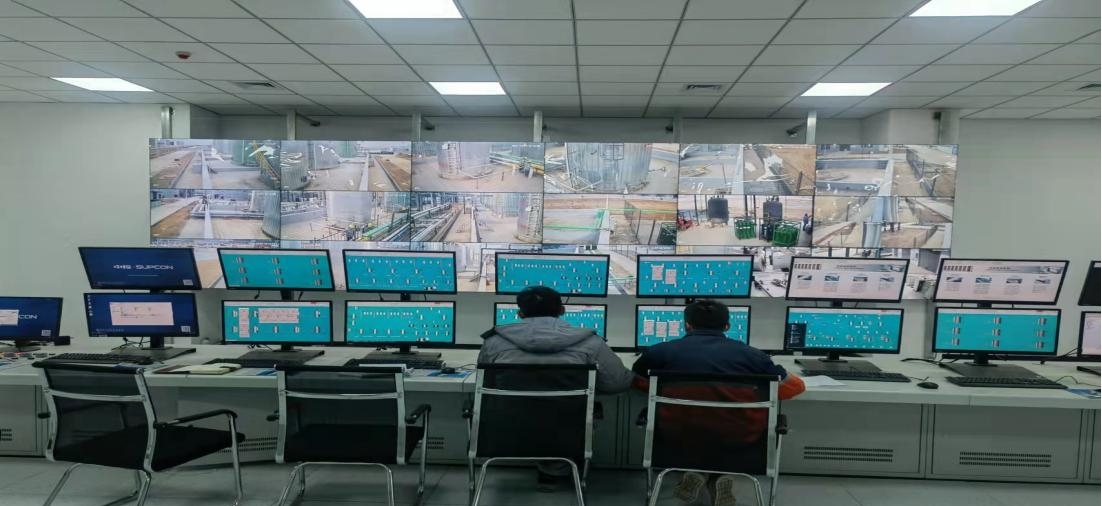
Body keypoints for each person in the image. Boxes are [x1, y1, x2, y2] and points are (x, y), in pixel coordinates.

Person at [631, 299, 805, 506]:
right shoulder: (753, 356)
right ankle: (716, 476)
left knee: (699, 429)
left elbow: (636, 381)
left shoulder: (660, 352)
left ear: (687, 325)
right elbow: (795, 387)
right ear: (727, 326)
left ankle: (699, 473)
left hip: (677, 434)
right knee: (721, 428)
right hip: (740, 437)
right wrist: (758, 394)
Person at [479, 286, 634, 489]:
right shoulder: (591, 342)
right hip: (568, 430)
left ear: (520, 313)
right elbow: (617, 383)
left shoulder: (493, 342)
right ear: (562, 310)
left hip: (509, 429)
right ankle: (558, 467)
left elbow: (485, 384)